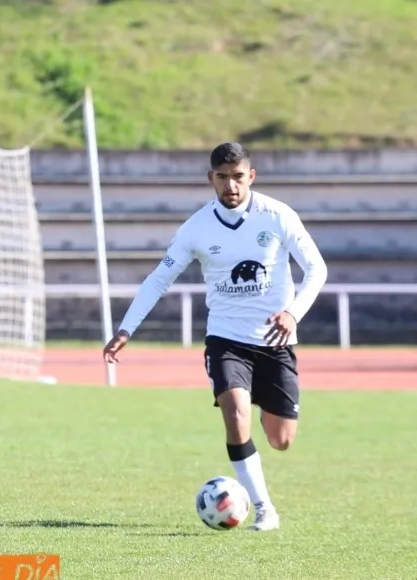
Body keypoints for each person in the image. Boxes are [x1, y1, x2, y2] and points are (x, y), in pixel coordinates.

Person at [102, 142, 328, 531]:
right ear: (211, 178)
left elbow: (317, 270)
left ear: (251, 176)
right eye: (222, 178)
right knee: (236, 413)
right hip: (226, 340)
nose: (231, 186)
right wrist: (126, 328)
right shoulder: (196, 228)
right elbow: (159, 279)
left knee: (281, 439)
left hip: (275, 342)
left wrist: (293, 313)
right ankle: (263, 508)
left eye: (238, 177)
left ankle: (261, 405)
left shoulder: (278, 216)